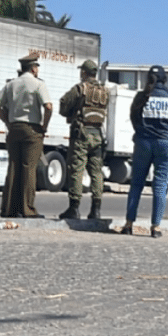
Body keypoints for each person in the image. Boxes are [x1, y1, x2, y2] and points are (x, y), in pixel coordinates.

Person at [122, 65, 168, 238]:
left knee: (137, 184)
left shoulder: (141, 97)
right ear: (165, 80)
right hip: (165, 143)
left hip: (143, 142)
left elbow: (134, 118)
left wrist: (142, 132)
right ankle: (155, 227)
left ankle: (128, 224)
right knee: (160, 185)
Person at [0, 53, 53, 218]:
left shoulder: (11, 84)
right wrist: (44, 127)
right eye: (37, 67)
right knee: (29, 168)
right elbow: (48, 107)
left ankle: (9, 208)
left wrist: (7, 121)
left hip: (14, 128)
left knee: (13, 167)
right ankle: (27, 209)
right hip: (32, 129)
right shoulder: (38, 84)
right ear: (33, 68)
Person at [58, 59, 109, 220]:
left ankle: (74, 208)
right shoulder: (104, 91)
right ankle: (96, 210)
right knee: (96, 172)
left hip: (81, 135)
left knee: (77, 170)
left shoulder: (80, 89)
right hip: (97, 135)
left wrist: (72, 113)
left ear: (84, 73)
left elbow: (63, 105)